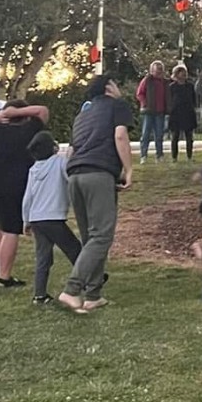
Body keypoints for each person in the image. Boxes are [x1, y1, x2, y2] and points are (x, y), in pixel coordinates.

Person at [58, 75, 133, 314]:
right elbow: (120, 136)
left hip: (75, 175)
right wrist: (128, 169)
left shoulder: (83, 114)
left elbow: (71, 149)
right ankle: (72, 290)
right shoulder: (117, 105)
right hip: (99, 174)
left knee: (90, 238)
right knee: (101, 236)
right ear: (110, 87)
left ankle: (93, 295)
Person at [0, 99, 50, 287]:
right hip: (14, 185)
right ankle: (4, 277)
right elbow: (42, 109)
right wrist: (15, 112)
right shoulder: (28, 131)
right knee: (12, 229)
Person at [22, 131, 83, 305]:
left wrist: (26, 221)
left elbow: (28, 197)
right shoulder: (60, 163)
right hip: (54, 218)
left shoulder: (33, 169)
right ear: (53, 148)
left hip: (36, 219)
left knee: (43, 257)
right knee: (74, 249)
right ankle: (92, 278)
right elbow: (71, 179)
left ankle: (39, 295)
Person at [136, 60, 170, 163]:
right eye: (157, 71)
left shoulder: (165, 82)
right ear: (152, 71)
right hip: (148, 111)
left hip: (160, 111)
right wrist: (145, 103)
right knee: (145, 135)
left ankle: (159, 155)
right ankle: (143, 155)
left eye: (160, 71)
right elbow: (139, 93)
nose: (159, 73)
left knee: (159, 135)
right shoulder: (147, 80)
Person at [166, 63, 198, 162]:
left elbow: (193, 99)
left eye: (185, 73)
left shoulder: (190, 86)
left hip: (188, 113)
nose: (184, 74)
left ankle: (189, 156)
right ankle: (174, 157)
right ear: (176, 74)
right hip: (176, 114)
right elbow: (169, 100)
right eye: (181, 72)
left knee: (189, 137)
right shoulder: (172, 87)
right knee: (175, 136)